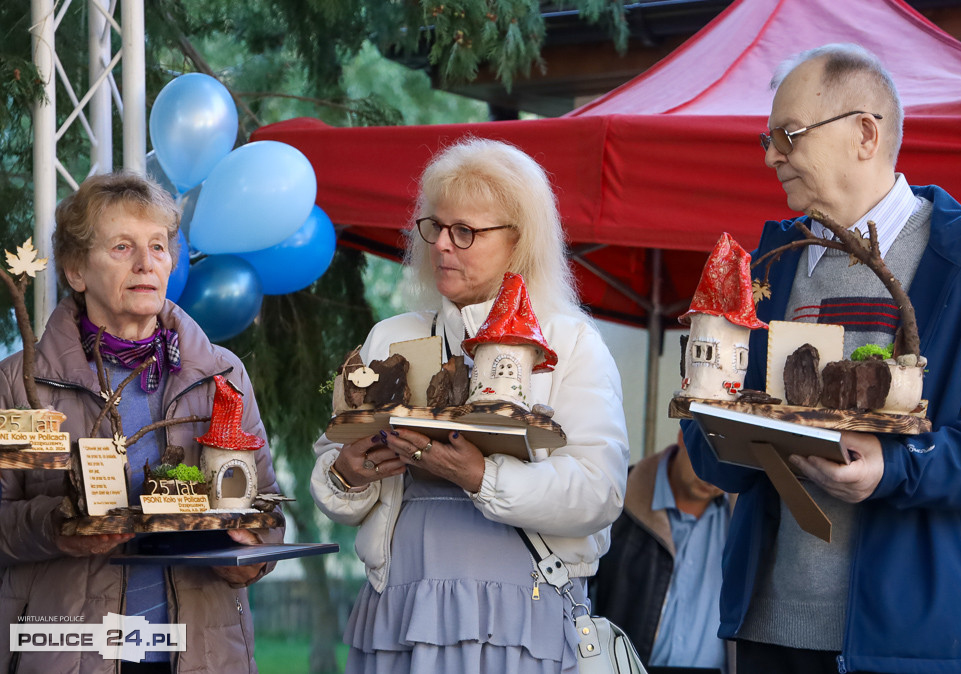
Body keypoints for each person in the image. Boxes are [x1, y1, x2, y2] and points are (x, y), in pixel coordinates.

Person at [683, 43, 961, 674]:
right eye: (767, 137)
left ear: (865, 134)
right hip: (771, 632)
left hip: (923, 642)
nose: (770, 156)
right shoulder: (763, 269)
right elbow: (715, 462)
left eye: (788, 134)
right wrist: (707, 413)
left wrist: (895, 467)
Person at [310, 137, 630, 673]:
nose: (440, 245)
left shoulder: (570, 342)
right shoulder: (392, 336)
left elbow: (600, 491)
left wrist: (483, 477)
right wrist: (350, 472)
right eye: (435, 227)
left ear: (518, 241)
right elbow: (333, 465)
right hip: (403, 608)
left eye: (465, 232)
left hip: (518, 615)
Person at [0, 172, 283, 674]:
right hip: (70, 651)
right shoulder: (26, 386)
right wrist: (56, 528)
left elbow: (265, 509)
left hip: (201, 655)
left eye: (157, 246)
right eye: (122, 247)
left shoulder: (221, 375)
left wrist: (251, 556)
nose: (145, 263)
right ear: (75, 270)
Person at [594, 431, 731, 674]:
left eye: (731, 462)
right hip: (625, 668)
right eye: (710, 453)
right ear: (684, 436)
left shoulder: (746, 520)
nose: (714, 473)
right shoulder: (613, 499)